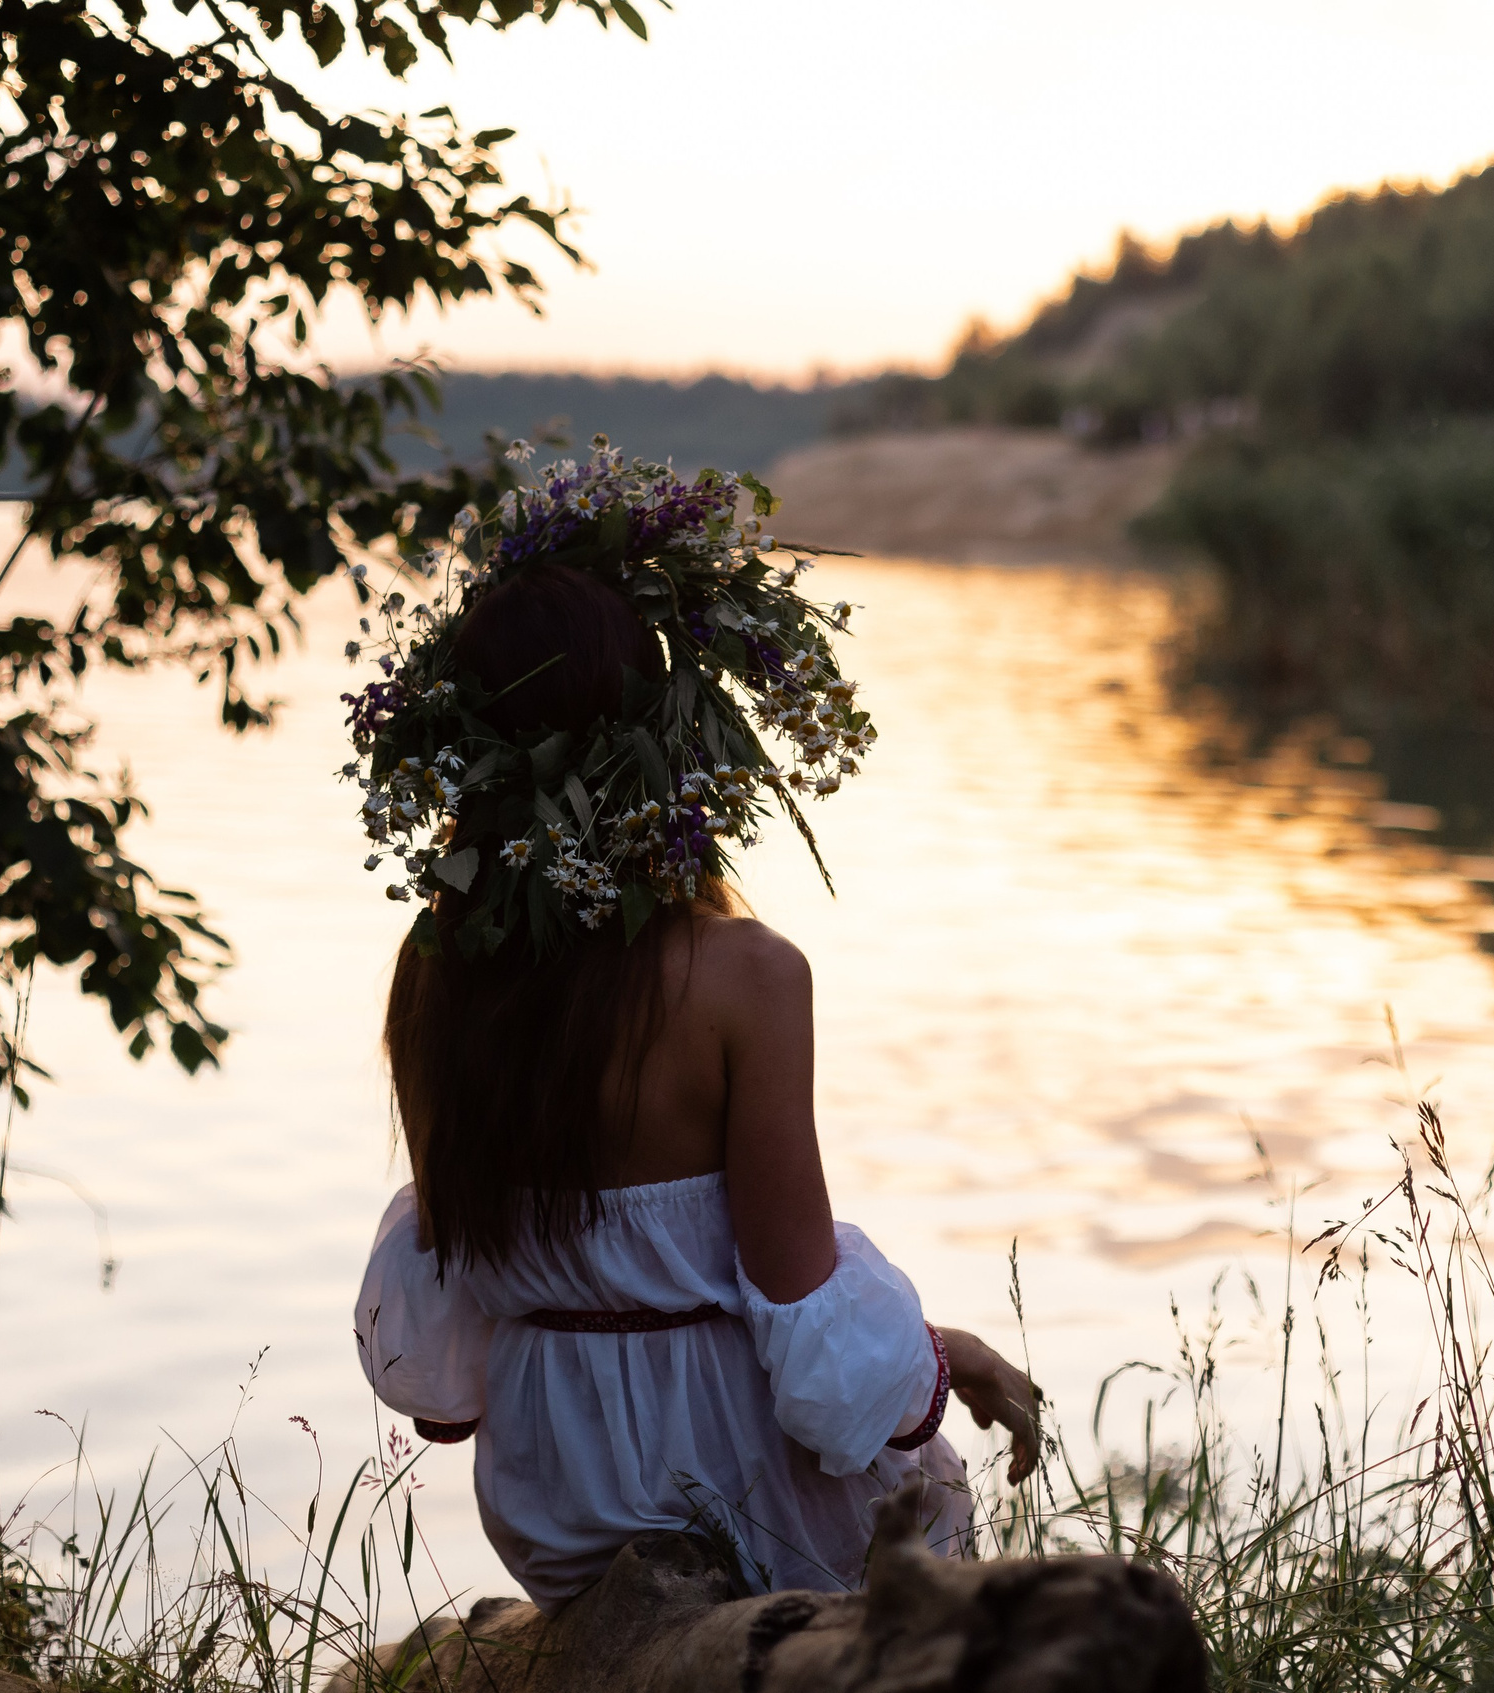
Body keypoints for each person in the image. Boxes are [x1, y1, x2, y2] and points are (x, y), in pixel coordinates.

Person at [347, 453, 1041, 1613]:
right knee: (924, 1508)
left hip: (551, 1496)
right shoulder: (746, 976)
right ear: (669, 734)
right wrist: (949, 1353)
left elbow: (450, 1360)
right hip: (730, 1477)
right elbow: (802, 1317)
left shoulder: (434, 968)